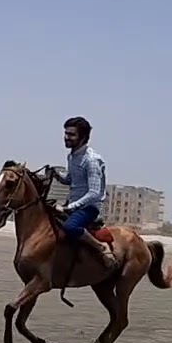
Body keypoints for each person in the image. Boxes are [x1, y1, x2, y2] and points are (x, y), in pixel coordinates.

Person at [51, 116, 118, 271]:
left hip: (89, 208)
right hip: (73, 205)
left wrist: (69, 207)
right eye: (66, 133)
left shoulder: (92, 160)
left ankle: (101, 248)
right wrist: (56, 175)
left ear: (82, 137)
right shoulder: (72, 156)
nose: (66, 137)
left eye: (71, 135)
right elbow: (70, 179)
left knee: (70, 227)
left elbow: (94, 193)